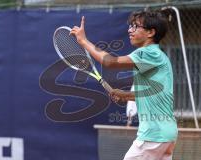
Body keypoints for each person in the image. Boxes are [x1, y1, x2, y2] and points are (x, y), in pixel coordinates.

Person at [70, 9, 178, 160]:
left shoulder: (148, 53)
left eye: (135, 26)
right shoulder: (158, 56)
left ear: (150, 33)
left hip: (153, 135)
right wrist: (126, 95)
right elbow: (153, 93)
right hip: (166, 134)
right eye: (130, 26)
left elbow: (109, 62)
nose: (130, 30)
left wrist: (83, 41)